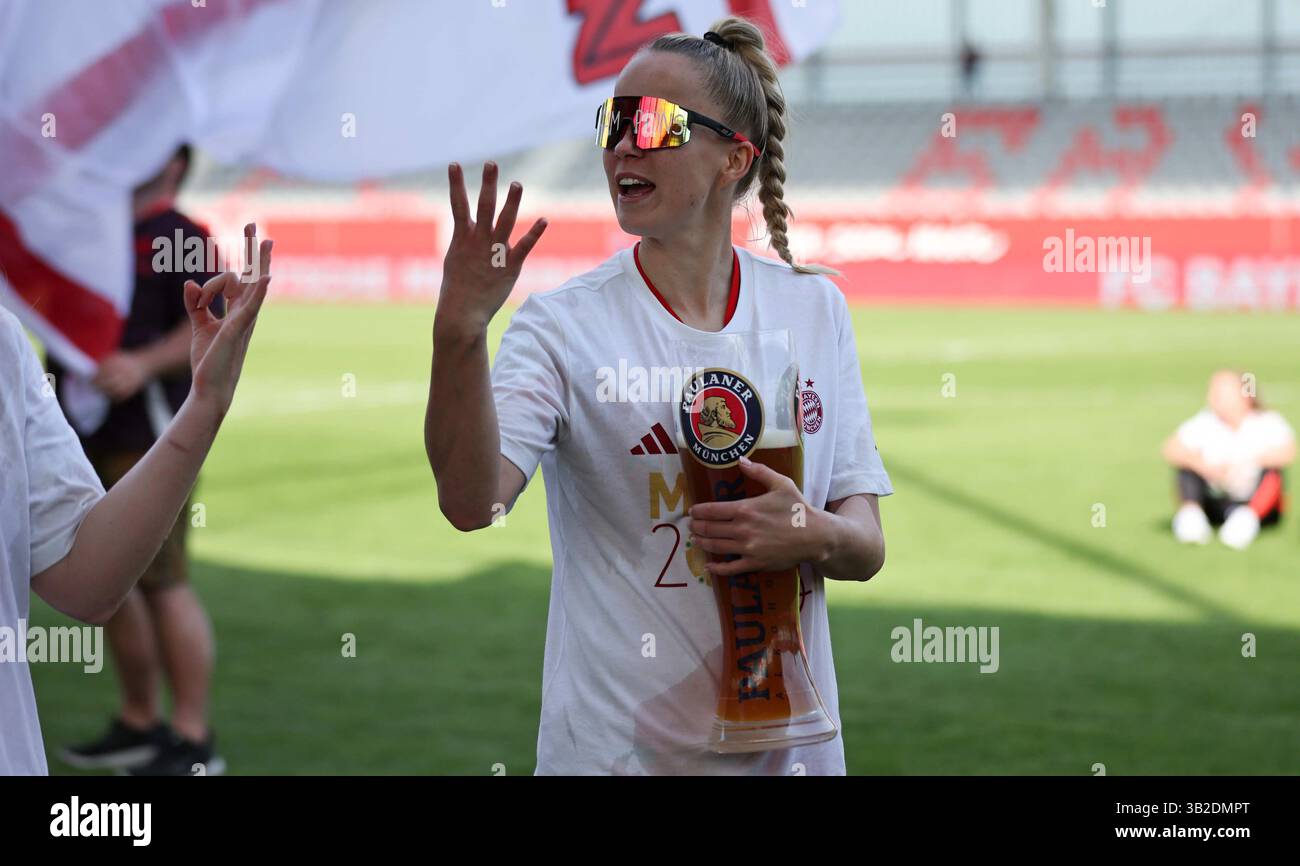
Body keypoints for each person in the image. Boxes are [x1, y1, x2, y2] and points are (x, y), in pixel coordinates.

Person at [425, 18, 891, 775]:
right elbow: (470, 503)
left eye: (650, 124)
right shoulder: (561, 325)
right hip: (614, 759)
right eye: (613, 122)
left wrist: (810, 531)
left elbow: (865, 543)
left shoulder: (814, 311)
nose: (621, 146)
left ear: (733, 157)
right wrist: (459, 333)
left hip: (794, 758)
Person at [0, 222, 271, 776]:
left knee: (167, 587)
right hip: (105, 432)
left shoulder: (4, 346)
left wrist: (205, 404)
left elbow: (87, 583)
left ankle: (181, 731)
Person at [48, 145, 225, 775]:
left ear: (173, 161)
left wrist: (143, 365)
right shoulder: (94, 223)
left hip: (148, 436)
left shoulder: (182, 236)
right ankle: (139, 721)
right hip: (80, 431)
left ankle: (191, 737)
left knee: (164, 582)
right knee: (110, 581)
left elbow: (211, 323)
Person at [1163, 369, 1295, 550]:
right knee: (1187, 468)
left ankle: (1246, 521)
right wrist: (1205, 467)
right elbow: (1171, 448)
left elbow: (1288, 453)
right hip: (1218, 496)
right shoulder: (1206, 421)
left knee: (1272, 474)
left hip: (1253, 499)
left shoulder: (1265, 422)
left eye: (1220, 392)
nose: (1212, 398)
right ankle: (1191, 517)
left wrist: (1245, 463)